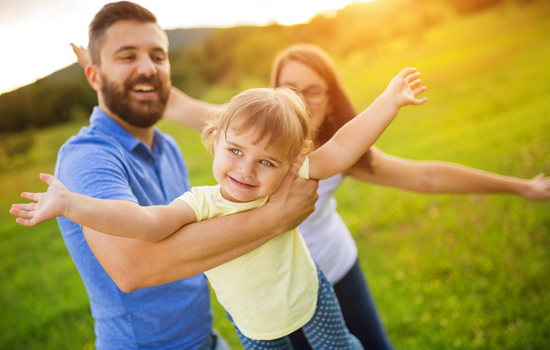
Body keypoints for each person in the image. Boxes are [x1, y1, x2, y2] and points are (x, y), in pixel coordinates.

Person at [68, 40, 550, 349]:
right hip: (258, 308)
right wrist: (105, 69)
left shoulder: (307, 155)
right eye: (288, 88)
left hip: (323, 276)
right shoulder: (247, 128)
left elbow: (417, 173)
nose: (298, 100)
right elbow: (169, 100)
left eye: (312, 92)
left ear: (327, 99)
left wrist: (520, 186)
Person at [11, 64, 428, 347]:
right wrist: (71, 204)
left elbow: (341, 148)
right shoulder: (201, 203)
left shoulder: (288, 178)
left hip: (310, 297)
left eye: (266, 160)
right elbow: (143, 220)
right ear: (214, 139)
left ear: (289, 162)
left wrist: (389, 101)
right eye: (235, 150)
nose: (247, 170)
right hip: (255, 329)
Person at [10, 2, 323, 349]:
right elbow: (133, 268)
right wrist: (273, 218)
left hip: (204, 338)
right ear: (94, 76)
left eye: (158, 57)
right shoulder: (87, 157)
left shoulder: (168, 147)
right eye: (127, 57)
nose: (148, 68)